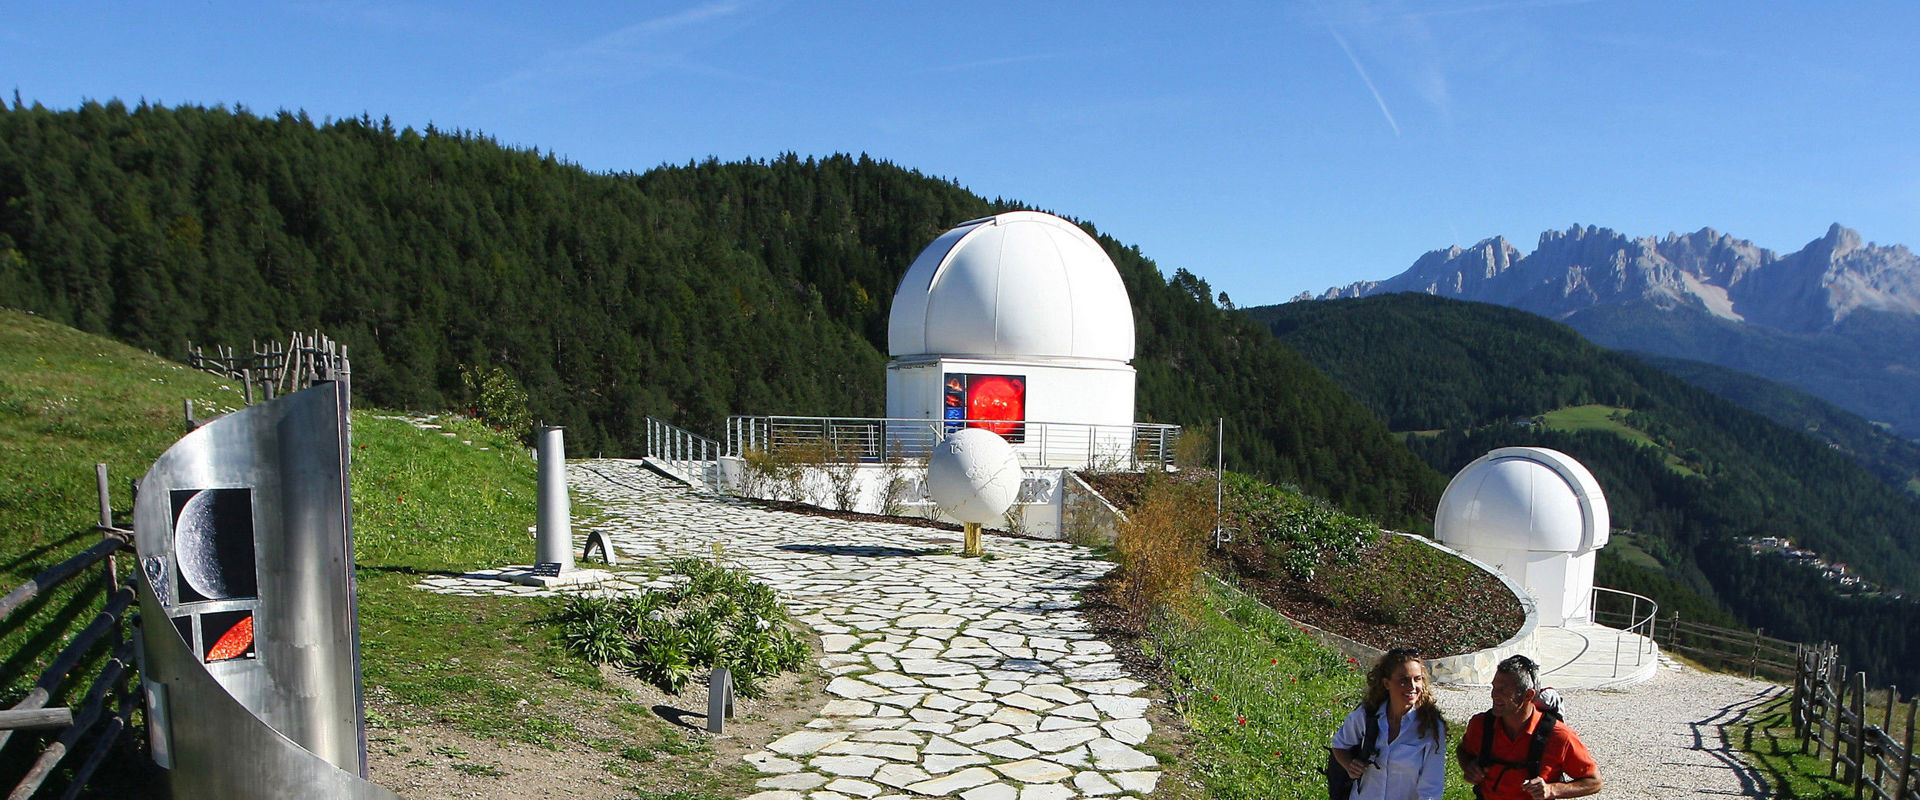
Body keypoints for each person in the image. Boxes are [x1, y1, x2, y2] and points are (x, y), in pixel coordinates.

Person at [1457, 655, 1602, 800]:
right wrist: (1469, 766)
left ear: (1528, 695)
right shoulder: (1481, 725)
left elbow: (1594, 782)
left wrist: (1552, 789)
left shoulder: (1559, 736)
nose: (1494, 695)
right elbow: (1463, 750)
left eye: (1503, 690)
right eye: (1494, 687)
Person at [1329, 648, 1448, 800]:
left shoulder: (1430, 727)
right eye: (1403, 680)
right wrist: (1350, 766)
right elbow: (1340, 745)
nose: (1412, 686)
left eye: (1417, 679)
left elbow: (1431, 787)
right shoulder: (1367, 715)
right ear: (1387, 683)